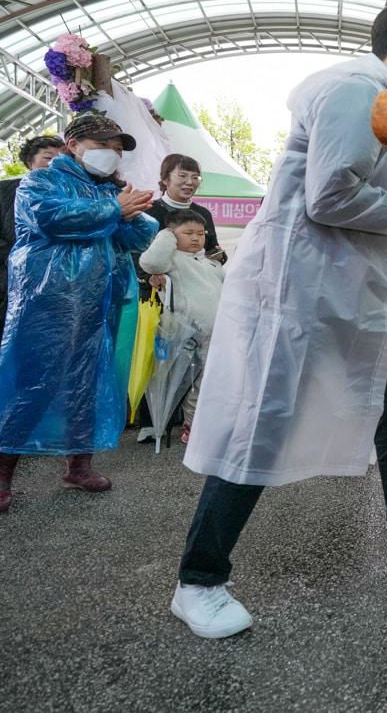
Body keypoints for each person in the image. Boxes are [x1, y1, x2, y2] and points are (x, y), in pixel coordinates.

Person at [170, 3, 387, 639]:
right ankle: (198, 581)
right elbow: (330, 196)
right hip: (298, 295)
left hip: (346, 298)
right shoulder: (354, 90)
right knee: (262, 421)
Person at [0, 114, 157, 513]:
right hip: (49, 301)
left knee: (87, 382)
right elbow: (51, 218)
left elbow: (138, 237)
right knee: (33, 384)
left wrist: (131, 210)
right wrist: (113, 210)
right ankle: (2, 473)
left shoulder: (106, 190)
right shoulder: (41, 181)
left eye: (118, 149)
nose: (113, 154)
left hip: (98, 302)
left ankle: (78, 465)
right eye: (105, 145)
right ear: (74, 144)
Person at [138, 209, 225, 444]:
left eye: (200, 233)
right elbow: (150, 262)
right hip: (187, 333)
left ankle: (209, 424)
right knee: (191, 384)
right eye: (188, 233)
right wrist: (166, 235)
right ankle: (193, 425)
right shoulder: (171, 260)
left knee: (211, 381)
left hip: (216, 334)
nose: (196, 238)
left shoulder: (210, 265)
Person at [1, 135, 62, 338]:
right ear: (30, 162)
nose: (55, 163)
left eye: (62, 158)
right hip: (8, 282)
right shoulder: (6, 191)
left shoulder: (69, 198)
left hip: (51, 289)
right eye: (48, 157)